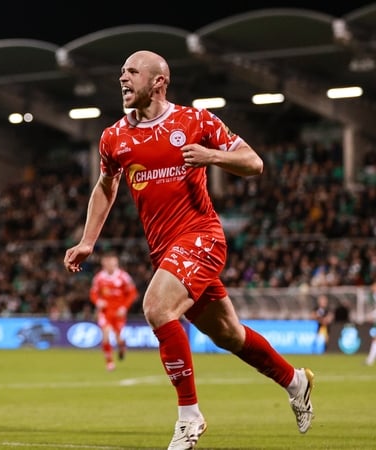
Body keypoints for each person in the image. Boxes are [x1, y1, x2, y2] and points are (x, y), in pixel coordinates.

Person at [63, 50, 314, 449]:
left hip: (202, 237)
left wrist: (211, 156)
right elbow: (106, 186)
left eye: (132, 72)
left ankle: (189, 417)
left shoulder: (195, 121)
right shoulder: (114, 137)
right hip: (165, 250)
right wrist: (87, 240)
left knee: (156, 307)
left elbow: (253, 163)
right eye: (122, 71)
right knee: (229, 334)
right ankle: (295, 381)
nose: (123, 78)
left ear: (158, 82)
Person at [89, 252, 138, 371]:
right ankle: (109, 362)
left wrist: (124, 307)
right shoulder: (99, 277)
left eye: (111, 262)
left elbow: (132, 293)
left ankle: (122, 346)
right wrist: (98, 301)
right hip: (105, 311)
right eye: (107, 262)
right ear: (103, 263)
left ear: (116, 263)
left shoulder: (123, 277)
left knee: (118, 338)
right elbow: (93, 293)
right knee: (105, 335)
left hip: (118, 312)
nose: (109, 264)